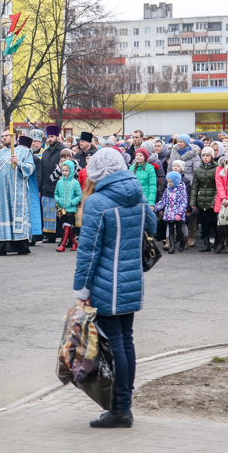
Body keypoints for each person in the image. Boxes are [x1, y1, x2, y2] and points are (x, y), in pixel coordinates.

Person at [73, 148, 157, 428]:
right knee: (126, 340)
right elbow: (153, 225)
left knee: (118, 343)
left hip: (106, 287)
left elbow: (88, 252)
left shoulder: (97, 201)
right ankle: (125, 405)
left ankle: (120, 409)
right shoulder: (136, 193)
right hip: (133, 281)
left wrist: (81, 291)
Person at [0, 131, 41, 256]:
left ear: (14, 137)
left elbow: (31, 168)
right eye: (3, 136)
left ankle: (21, 246)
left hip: (18, 191)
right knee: (2, 216)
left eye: (6, 136)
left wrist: (18, 163)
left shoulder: (24, 152)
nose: (3, 138)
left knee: (17, 217)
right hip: (1, 191)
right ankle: (1, 247)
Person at [39, 125, 65, 243]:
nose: (50, 139)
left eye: (52, 136)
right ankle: (50, 236)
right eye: (48, 137)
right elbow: (42, 171)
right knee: (47, 212)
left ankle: (62, 235)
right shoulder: (46, 152)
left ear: (58, 137)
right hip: (46, 187)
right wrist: (41, 188)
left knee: (59, 213)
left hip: (59, 187)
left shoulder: (63, 151)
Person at [191, 147, 219, 252]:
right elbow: (195, 186)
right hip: (201, 199)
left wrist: (214, 201)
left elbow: (218, 186)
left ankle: (217, 242)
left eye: (207, 155)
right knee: (204, 223)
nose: (205, 158)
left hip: (212, 198)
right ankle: (206, 243)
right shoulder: (199, 170)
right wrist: (193, 201)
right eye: (203, 155)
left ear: (212, 156)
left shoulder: (217, 169)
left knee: (213, 222)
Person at [155, 172, 188, 254]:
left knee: (179, 230)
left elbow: (184, 203)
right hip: (169, 213)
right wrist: (156, 207)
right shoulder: (167, 190)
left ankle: (182, 241)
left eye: (171, 181)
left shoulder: (182, 190)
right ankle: (172, 247)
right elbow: (163, 201)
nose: (169, 183)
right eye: (168, 181)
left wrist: (179, 213)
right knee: (171, 230)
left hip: (177, 214)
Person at [54, 160, 82, 252]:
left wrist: (72, 202)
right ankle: (74, 242)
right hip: (62, 209)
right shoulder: (59, 182)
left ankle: (62, 245)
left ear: (71, 171)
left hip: (70, 208)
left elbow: (79, 195)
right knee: (66, 226)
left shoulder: (75, 183)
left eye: (67, 170)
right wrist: (58, 200)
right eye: (63, 170)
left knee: (66, 225)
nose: (65, 172)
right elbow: (56, 193)